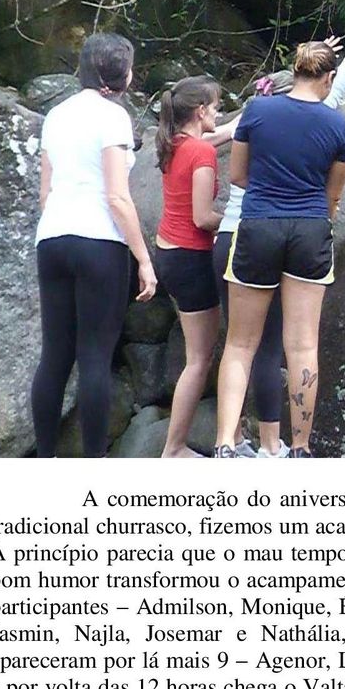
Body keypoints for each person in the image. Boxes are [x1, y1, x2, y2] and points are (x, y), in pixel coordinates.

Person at [214, 22, 345, 459]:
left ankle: (225, 445)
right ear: (327, 78)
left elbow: (236, 176)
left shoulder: (257, 111)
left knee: (240, 342)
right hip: (309, 229)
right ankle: (301, 448)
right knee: (302, 344)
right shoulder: (336, 125)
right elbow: (334, 195)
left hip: (259, 224)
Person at [31, 33, 157, 457]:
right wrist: (144, 259)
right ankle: (94, 465)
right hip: (99, 240)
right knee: (94, 358)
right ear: (118, 75)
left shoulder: (56, 115)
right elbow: (117, 197)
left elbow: (45, 193)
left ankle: (45, 459)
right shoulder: (113, 117)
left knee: (55, 356)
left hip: (52, 238)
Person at [154, 76, 224, 458]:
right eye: (215, 107)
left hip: (168, 252)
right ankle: (174, 449)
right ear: (200, 112)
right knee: (199, 359)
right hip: (190, 256)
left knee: (196, 355)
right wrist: (233, 218)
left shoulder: (171, 143)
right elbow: (202, 217)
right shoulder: (202, 154)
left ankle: (174, 445)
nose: (219, 113)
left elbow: (217, 135)